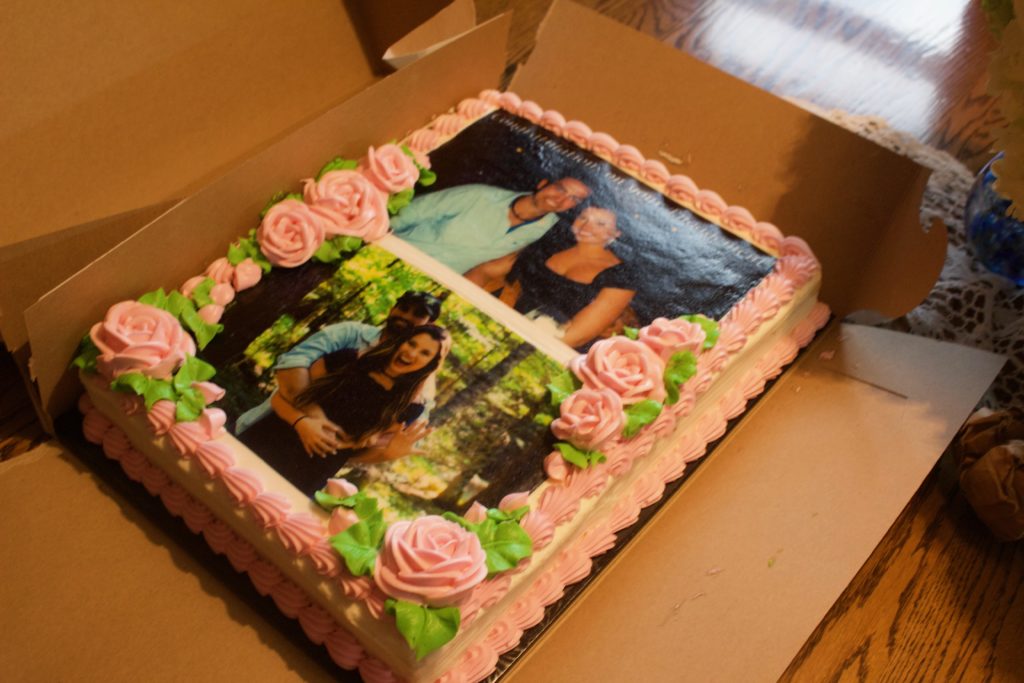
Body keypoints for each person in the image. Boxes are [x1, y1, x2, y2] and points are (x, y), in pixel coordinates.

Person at [238, 325, 449, 496]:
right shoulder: (347, 359)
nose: (411, 353)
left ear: (431, 363)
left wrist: (389, 453)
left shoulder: (409, 408)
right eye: (411, 343)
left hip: (305, 475)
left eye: (424, 353)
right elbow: (279, 398)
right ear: (401, 341)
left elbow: (357, 454)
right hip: (268, 440)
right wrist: (301, 423)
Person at [234, 291, 443, 440]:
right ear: (392, 308)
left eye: (417, 314)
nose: (406, 316)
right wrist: (311, 418)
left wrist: (353, 443)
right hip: (272, 425)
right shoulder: (349, 335)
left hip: (320, 453)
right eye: (403, 308)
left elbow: (407, 429)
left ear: (429, 324)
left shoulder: (419, 379)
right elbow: (293, 363)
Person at [470, 206, 636, 349]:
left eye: (600, 224)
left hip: (533, 346)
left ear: (616, 233)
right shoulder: (552, 244)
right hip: (485, 320)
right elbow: (487, 270)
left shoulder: (621, 276)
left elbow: (576, 337)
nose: (586, 226)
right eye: (583, 217)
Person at [390, 177, 591, 274]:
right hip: (395, 256)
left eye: (573, 198)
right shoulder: (478, 195)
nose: (561, 198)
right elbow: (412, 212)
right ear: (543, 183)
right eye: (560, 188)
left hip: (432, 284)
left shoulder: (547, 235)